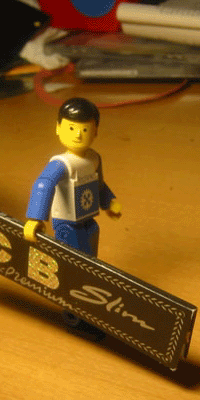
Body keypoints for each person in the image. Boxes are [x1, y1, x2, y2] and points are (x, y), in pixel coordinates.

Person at [24, 97, 121, 338]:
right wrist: (36, 217)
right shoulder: (61, 164)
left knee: (90, 266)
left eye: (85, 129)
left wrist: (109, 202)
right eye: (71, 128)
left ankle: (86, 307)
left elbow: (99, 185)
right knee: (76, 269)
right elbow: (43, 184)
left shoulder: (94, 159)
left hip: (88, 222)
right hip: (67, 225)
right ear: (58, 128)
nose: (78, 135)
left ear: (95, 131)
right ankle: (76, 314)